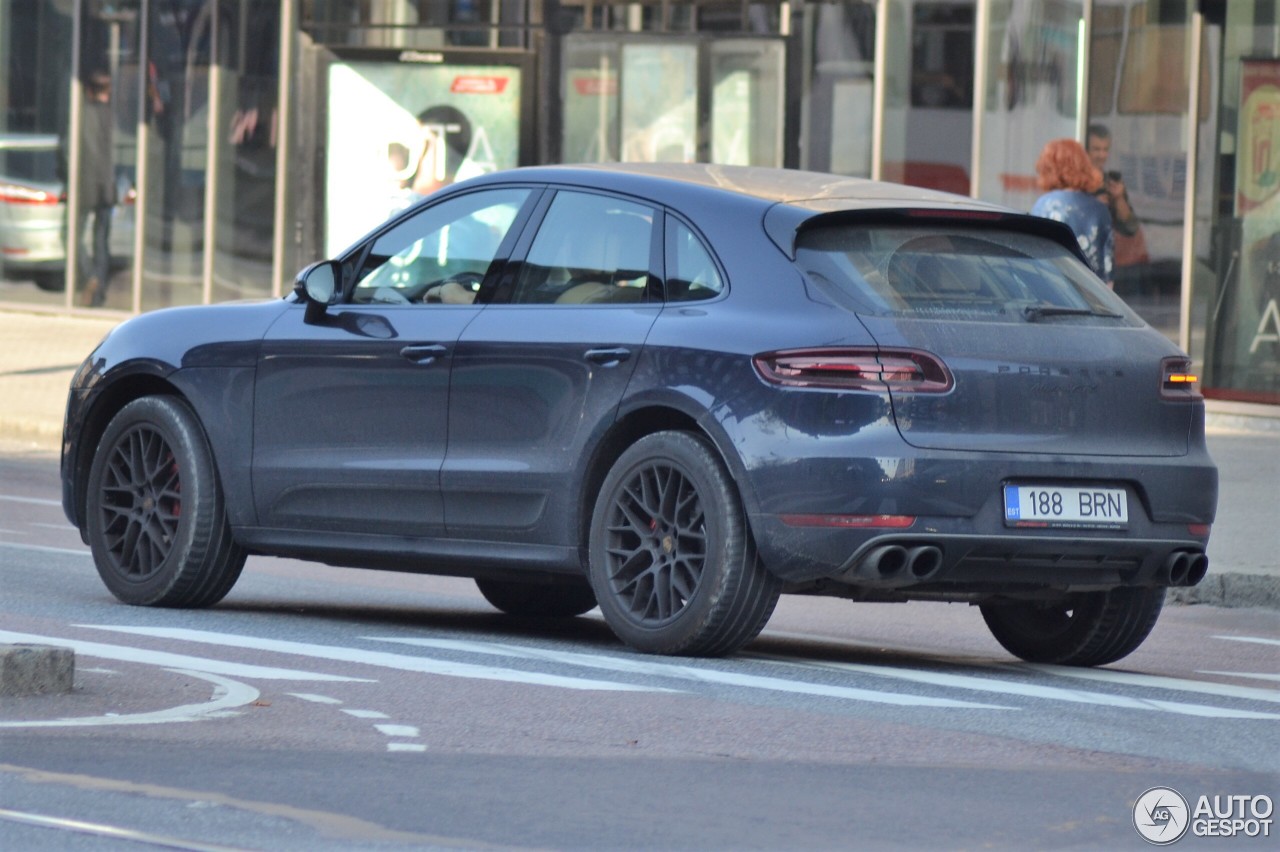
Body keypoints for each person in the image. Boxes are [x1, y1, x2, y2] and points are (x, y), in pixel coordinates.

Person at [63, 70, 117, 307]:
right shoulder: (113, 117)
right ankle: (98, 292)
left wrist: (69, 175)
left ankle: (90, 278)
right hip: (106, 187)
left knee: (71, 234)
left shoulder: (81, 115)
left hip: (86, 186)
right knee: (101, 242)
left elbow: (67, 149)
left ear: (88, 91)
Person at [1031, 138, 1114, 286]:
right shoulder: (1100, 209)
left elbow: (1035, 260)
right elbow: (1107, 270)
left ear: (1049, 168)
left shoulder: (1045, 205)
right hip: (1092, 294)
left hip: (1055, 292)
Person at [1086, 123, 1149, 271]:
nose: (1101, 155)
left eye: (1105, 149)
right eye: (1096, 149)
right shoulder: (1076, 182)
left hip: (1111, 262)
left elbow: (1130, 227)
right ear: (1085, 150)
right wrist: (1092, 205)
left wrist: (1119, 198)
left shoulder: (1112, 183)